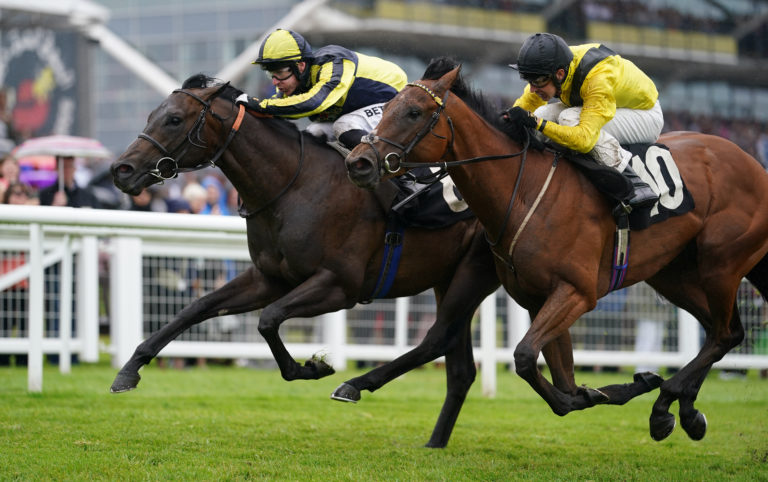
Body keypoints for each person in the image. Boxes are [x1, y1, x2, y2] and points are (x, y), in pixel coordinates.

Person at [505, 32, 662, 208]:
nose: (532, 89)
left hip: (645, 115)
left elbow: (584, 140)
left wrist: (536, 123)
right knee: (542, 113)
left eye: (537, 81)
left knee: (568, 118)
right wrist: (505, 119)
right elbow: (523, 107)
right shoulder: (554, 66)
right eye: (529, 80)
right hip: (616, 105)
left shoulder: (597, 77)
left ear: (559, 74)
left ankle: (634, 182)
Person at [235, 28, 408, 150]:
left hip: (395, 99)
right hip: (358, 110)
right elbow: (273, 108)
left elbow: (315, 102)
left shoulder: (333, 61)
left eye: (279, 73)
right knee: (313, 134)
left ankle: (404, 176)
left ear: (300, 66)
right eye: (271, 74)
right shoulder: (296, 82)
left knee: (344, 125)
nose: (275, 82)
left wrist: (260, 105)